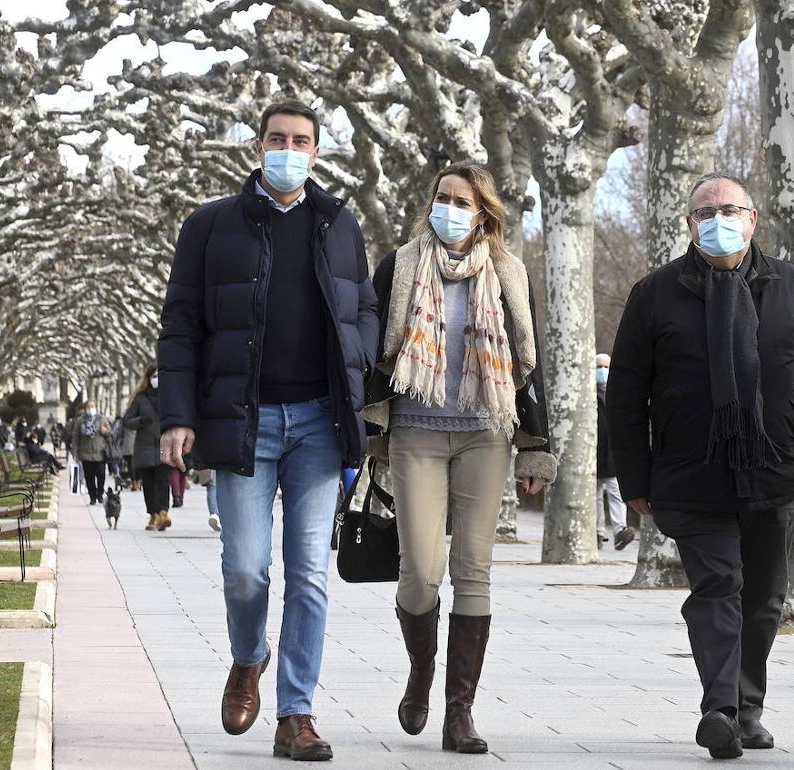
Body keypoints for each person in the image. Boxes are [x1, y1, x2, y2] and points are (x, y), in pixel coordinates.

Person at [157, 100, 379, 762]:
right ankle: (248, 657)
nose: (288, 149)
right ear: (258, 146)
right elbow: (181, 327)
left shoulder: (340, 223)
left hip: (318, 422)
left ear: (318, 151)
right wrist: (177, 416)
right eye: (277, 138)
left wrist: (360, 365)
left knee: (309, 571)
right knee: (246, 570)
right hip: (243, 424)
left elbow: (362, 304)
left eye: (301, 140)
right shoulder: (209, 226)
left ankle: (296, 714)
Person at [607, 172, 794, 760]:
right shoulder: (655, 293)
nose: (718, 220)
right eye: (704, 212)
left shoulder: (791, 287)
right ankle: (718, 708)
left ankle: (747, 706)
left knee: (765, 597)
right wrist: (635, 481)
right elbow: (625, 393)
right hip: (689, 476)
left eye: (730, 209)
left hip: (775, 473)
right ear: (689, 225)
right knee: (719, 585)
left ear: (753, 218)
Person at [363, 161, 556, 754]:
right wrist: (369, 434)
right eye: (442, 198)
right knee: (420, 574)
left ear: (484, 213)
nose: (450, 208)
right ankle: (421, 670)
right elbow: (375, 350)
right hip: (415, 433)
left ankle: (459, 710)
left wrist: (537, 446)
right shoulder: (399, 264)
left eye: (463, 201)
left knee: (474, 568)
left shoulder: (507, 270)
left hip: (485, 432)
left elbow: (528, 355)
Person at [124, 364, 172, 531]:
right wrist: (140, 421)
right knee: (149, 483)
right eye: (154, 376)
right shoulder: (139, 398)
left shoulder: (169, 396)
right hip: (144, 447)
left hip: (163, 445)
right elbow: (127, 420)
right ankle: (153, 514)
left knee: (163, 481)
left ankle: (164, 513)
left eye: (159, 376)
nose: (156, 380)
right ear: (148, 378)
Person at [595, 353, 635, 550]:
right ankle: (597, 532)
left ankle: (620, 530)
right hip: (594, 455)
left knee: (616, 492)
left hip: (612, 456)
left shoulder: (618, 392)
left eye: (605, 367)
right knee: (594, 495)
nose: (602, 371)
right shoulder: (587, 395)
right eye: (598, 367)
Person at [69, 400, 112, 505]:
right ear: (85, 408)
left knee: (101, 474)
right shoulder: (80, 421)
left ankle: (100, 494)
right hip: (85, 453)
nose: (91, 409)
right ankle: (92, 497)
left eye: (93, 406)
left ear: (96, 407)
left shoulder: (102, 419)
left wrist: (105, 431)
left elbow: (110, 433)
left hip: (100, 453)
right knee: (89, 477)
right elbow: (75, 437)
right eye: (89, 407)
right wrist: (74, 452)